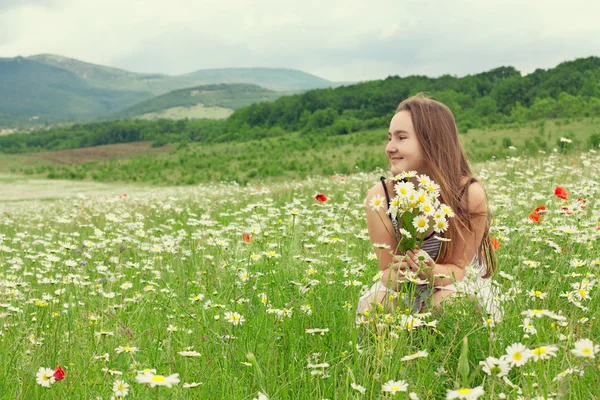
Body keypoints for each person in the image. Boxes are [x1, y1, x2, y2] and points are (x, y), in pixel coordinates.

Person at [356, 93, 501, 320]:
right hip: (406, 290)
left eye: (401, 138)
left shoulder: (468, 194)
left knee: (445, 304)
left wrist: (431, 271)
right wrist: (397, 273)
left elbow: (458, 271)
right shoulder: (380, 197)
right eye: (390, 138)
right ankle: (388, 354)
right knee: (375, 306)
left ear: (432, 141)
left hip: (454, 286)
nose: (389, 148)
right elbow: (385, 272)